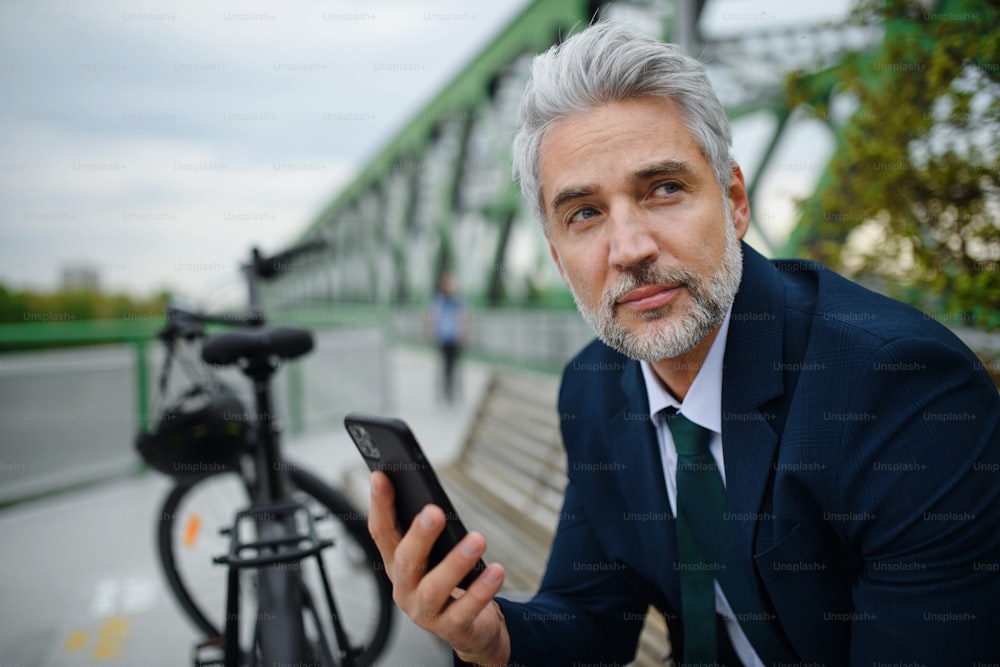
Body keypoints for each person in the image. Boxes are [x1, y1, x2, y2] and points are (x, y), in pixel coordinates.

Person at [368, 22, 1000, 667]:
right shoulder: (593, 386)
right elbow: (592, 616)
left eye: (663, 189)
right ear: (559, 261)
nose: (631, 249)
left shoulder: (897, 386)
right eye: (584, 213)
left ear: (734, 201)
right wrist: (495, 638)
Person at [425, 270, 470, 403]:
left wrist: (465, 333)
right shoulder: (439, 300)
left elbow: (465, 316)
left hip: (455, 337)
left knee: (454, 364)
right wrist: (430, 331)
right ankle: (447, 389)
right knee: (446, 364)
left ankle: (453, 389)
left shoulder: (458, 300)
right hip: (444, 337)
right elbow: (432, 316)